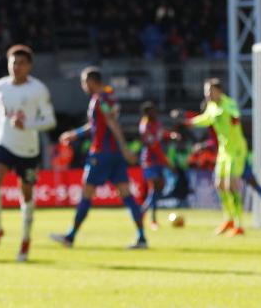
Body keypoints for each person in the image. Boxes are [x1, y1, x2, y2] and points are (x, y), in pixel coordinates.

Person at [50, 68, 148, 250]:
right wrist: (75, 134)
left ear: (91, 81)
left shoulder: (100, 99)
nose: (82, 86)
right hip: (115, 155)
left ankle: (70, 236)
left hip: (102, 154)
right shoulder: (110, 97)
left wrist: (125, 148)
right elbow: (98, 124)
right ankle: (142, 238)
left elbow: (112, 123)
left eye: (83, 82)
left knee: (86, 193)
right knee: (126, 194)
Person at [0, 45, 56, 260]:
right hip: (3, 143)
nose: (16, 67)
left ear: (29, 66)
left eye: (21, 63)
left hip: (28, 149)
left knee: (26, 193)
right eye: (13, 62)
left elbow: (50, 120)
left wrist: (28, 125)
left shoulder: (38, 89)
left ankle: (25, 239)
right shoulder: (0, 86)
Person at [183, 78, 248, 236]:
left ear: (219, 91)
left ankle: (239, 224)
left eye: (210, 91)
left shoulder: (228, 103)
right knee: (219, 184)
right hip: (224, 151)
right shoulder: (212, 107)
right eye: (206, 91)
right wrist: (188, 122)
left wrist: (235, 118)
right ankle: (229, 219)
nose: (207, 94)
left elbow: (235, 114)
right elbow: (205, 119)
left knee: (230, 185)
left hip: (236, 150)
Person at [137, 102, 178, 230]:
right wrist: (168, 163)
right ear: (147, 113)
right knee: (154, 188)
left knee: (157, 190)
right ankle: (150, 218)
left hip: (158, 162)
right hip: (149, 161)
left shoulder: (156, 123)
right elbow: (155, 147)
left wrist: (171, 135)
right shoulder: (145, 127)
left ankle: (143, 212)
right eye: (153, 111)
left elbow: (161, 133)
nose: (155, 113)